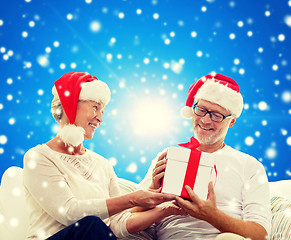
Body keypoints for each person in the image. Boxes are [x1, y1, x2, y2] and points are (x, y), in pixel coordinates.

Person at [23, 72, 185, 240]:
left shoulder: (102, 164)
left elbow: (117, 224)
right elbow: (70, 213)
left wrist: (166, 210)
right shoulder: (38, 157)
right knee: (90, 225)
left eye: (102, 111)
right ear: (69, 104)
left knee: (98, 228)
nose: (100, 118)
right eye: (95, 107)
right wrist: (133, 199)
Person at [139, 73, 272, 240]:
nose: (205, 120)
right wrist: (152, 188)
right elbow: (128, 215)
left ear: (231, 121)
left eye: (216, 115)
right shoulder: (168, 156)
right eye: (201, 110)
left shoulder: (249, 166)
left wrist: (211, 215)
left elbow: (262, 235)